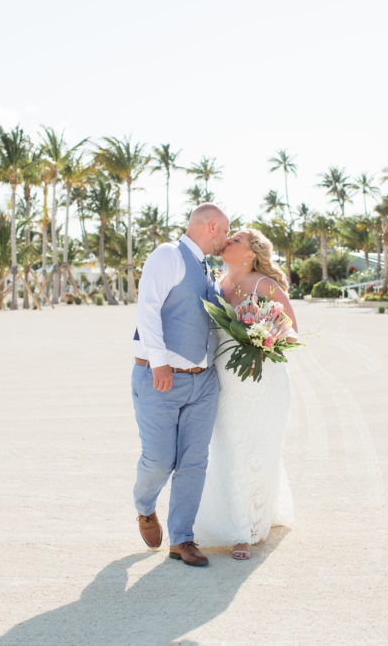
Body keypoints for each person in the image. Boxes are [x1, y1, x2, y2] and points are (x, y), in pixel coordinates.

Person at [131, 203, 229, 567]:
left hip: (203, 383)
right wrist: (159, 362)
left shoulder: (206, 268)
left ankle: (182, 539)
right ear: (213, 226)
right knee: (158, 461)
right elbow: (148, 307)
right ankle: (144, 507)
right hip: (161, 378)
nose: (225, 239)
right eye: (225, 231)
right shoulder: (167, 255)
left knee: (194, 462)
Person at [193, 228, 298, 560]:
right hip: (226, 380)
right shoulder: (217, 284)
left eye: (236, 239)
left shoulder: (265, 286)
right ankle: (231, 520)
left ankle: (245, 531)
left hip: (263, 381)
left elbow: (292, 331)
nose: (228, 241)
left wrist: (263, 337)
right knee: (228, 448)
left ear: (250, 253)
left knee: (258, 449)